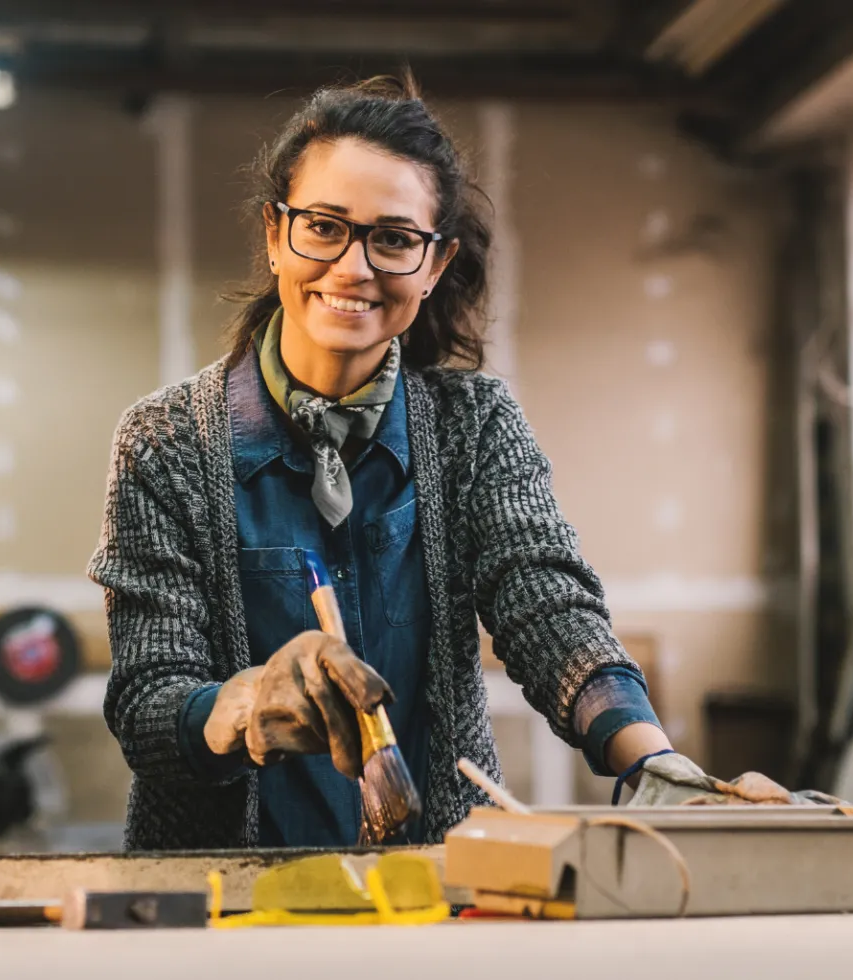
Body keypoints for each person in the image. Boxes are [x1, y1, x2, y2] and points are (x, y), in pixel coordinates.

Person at [89, 75, 703, 851]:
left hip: (437, 892)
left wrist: (659, 767)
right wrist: (249, 706)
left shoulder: (474, 426)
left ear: (434, 262)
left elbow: (548, 608)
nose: (353, 268)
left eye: (393, 237)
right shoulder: (165, 443)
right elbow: (148, 703)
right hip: (219, 904)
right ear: (277, 235)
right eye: (324, 227)